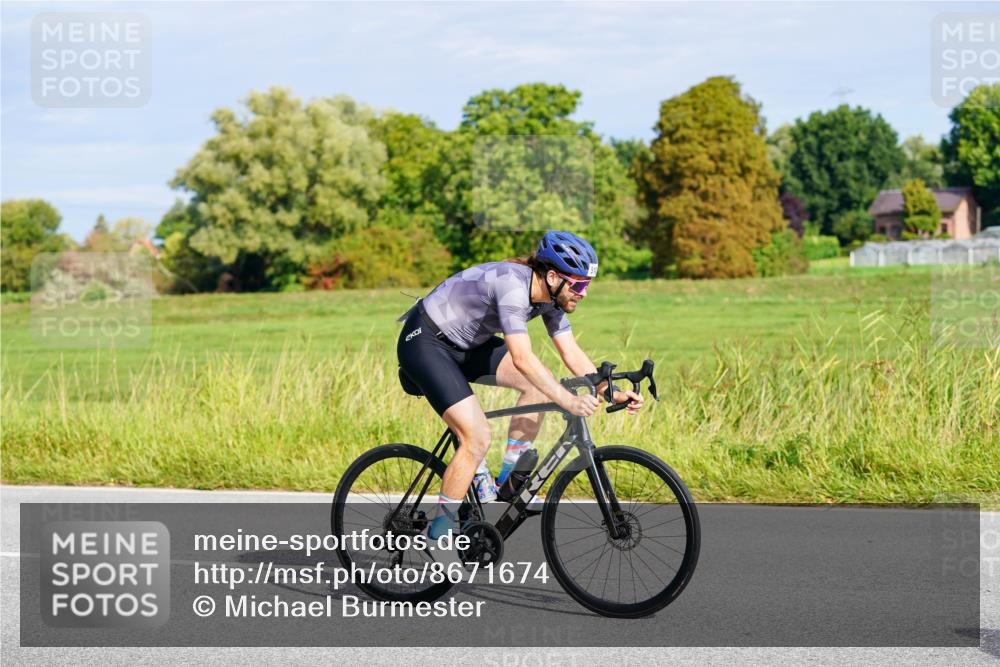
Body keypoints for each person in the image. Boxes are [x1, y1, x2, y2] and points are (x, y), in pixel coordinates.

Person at [396, 230, 644, 539]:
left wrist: (609, 391)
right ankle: (439, 531)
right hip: (426, 343)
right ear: (552, 277)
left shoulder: (551, 298)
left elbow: (570, 351)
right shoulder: (513, 285)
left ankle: (508, 479)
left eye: (587, 285)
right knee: (477, 437)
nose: (584, 293)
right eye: (579, 285)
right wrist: (568, 400)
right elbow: (522, 358)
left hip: (467, 345)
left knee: (539, 384)